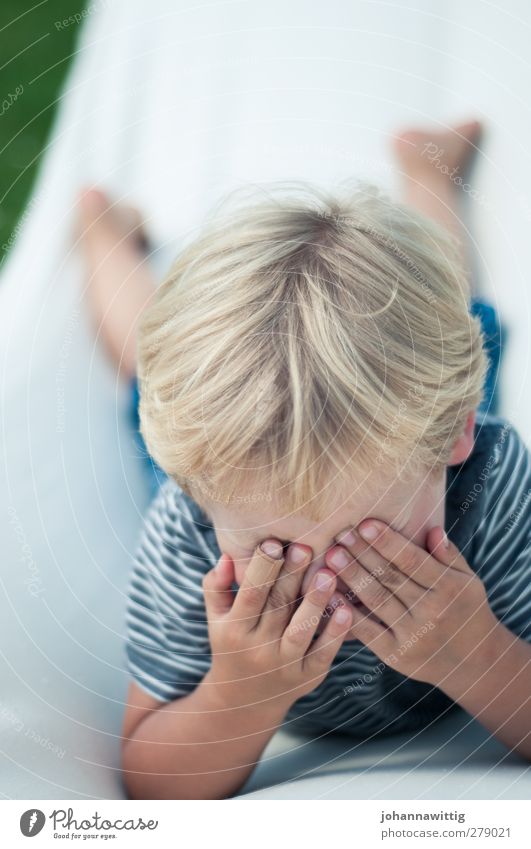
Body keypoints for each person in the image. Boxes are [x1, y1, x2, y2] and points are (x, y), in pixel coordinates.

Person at [81, 124, 531, 801]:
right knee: (148, 367)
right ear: (197, 492)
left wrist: (480, 658)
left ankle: (427, 174)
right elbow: (152, 783)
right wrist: (242, 693)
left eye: (367, 536)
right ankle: (102, 232)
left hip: (421, 423)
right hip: (248, 450)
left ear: (455, 438)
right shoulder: (190, 532)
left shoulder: (489, 485)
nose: (327, 580)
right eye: (276, 547)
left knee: (455, 317)